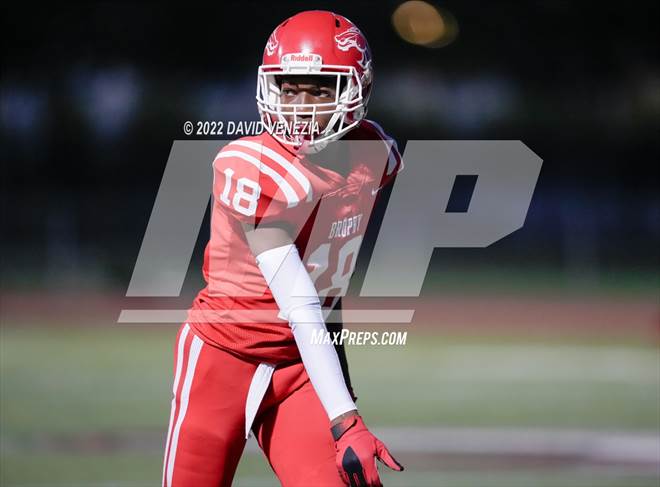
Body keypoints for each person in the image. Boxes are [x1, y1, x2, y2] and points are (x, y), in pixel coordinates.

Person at [162, 10, 404, 487]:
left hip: (298, 367)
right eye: (289, 88)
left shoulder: (375, 155)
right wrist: (346, 417)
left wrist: (339, 393)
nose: (300, 105)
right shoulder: (251, 165)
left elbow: (327, 292)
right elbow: (299, 300)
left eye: (320, 89)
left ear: (359, 89)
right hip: (223, 358)